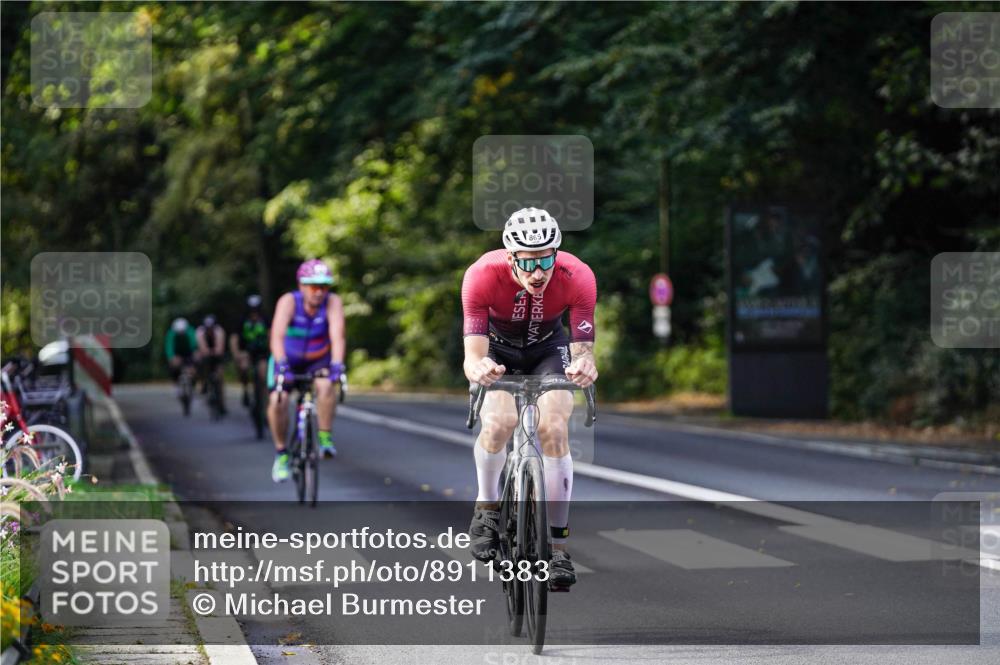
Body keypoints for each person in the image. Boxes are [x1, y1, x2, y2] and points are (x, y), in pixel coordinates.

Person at [461, 207, 598, 589]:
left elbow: (584, 349)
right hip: (498, 351)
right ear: (510, 256)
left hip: (549, 350)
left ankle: (557, 548)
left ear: (557, 252)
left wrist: (586, 367)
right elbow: (473, 356)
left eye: (546, 259)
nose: (538, 272)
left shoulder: (578, 276)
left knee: (554, 427)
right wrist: (479, 370)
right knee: (500, 422)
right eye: (528, 262)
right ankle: (487, 507)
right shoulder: (481, 275)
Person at [267, 259, 346, 482]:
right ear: (301, 285)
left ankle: (325, 438)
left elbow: (338, 336)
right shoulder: (289, 302)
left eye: (324, 286)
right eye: (313, 286)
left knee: (326, 385)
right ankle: (281, 453)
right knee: (278, 400)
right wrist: (281, 363)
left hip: (317, 359)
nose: (319, 292)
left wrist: (337, 364)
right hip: (287, 359)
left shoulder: (333, 302)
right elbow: (277, 336)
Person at [229, 295, 270, 408]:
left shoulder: (265, 319)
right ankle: (245, 388)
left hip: (262, 352)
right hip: (246, 351)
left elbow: (271, 334)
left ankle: (266, 403)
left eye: (256, 310)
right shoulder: (242, 320)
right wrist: (236, 353)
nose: (254, 313)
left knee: (264, 373)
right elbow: (234, 338)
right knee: (244, 367)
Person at [196, 314, 227, 414]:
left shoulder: (219, 331)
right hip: (207, 356)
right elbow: (202, 347)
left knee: (220, 377)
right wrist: (206, 351)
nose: (209, 330)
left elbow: (220, 348)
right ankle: (203, 382)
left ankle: (222, 403)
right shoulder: (200, 331)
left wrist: (215, 351)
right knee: (200, 361)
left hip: (217, 356)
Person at [165, 317, 197, 389]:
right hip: (177, 353)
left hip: (188, 352)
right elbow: (169, 347)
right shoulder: (171, 334)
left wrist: (195, 353)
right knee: (173, 366)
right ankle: (176, 383)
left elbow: (194, 344)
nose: (181, 334)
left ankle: (193, 385)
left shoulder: (190, 331)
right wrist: (171, 357)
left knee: (193, 369)